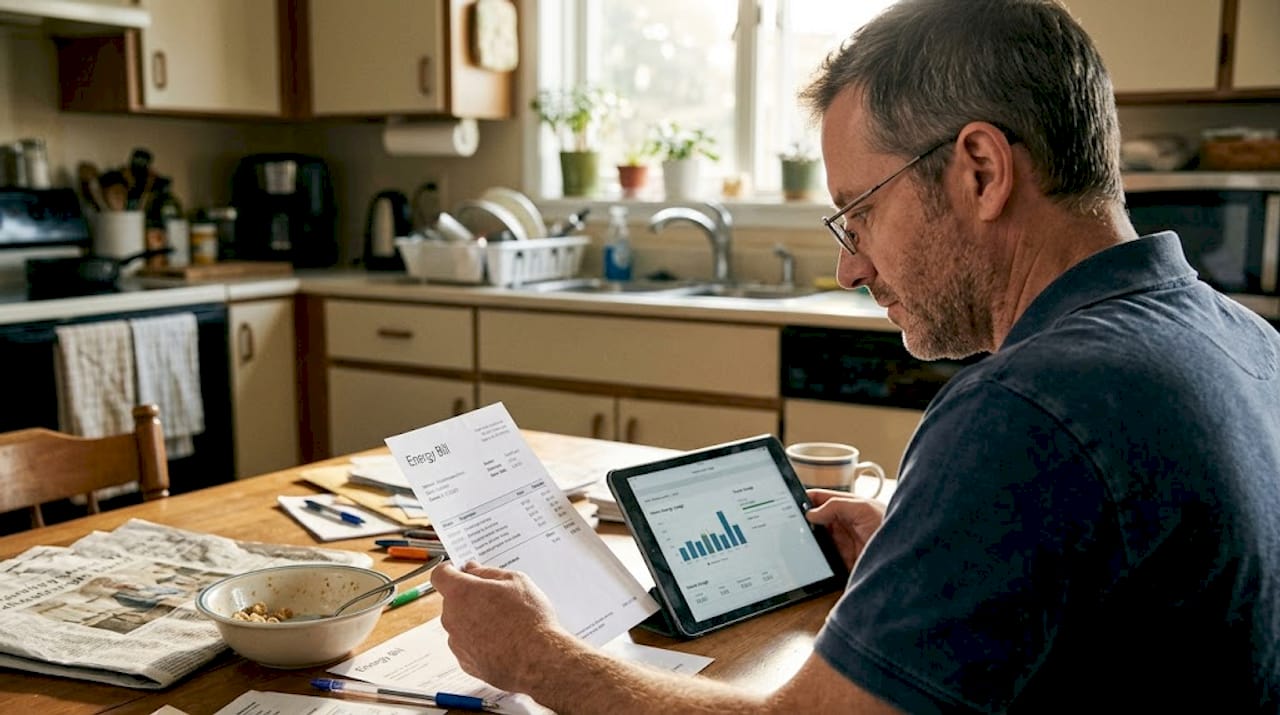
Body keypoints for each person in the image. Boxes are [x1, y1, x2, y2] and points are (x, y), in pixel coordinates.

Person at [431, 0, 1280, 711]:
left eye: (860, 211)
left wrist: (535, 656)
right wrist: (922, 554)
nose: (849, 266)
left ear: (981, 169)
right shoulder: (1243, 340)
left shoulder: (1028, 410)